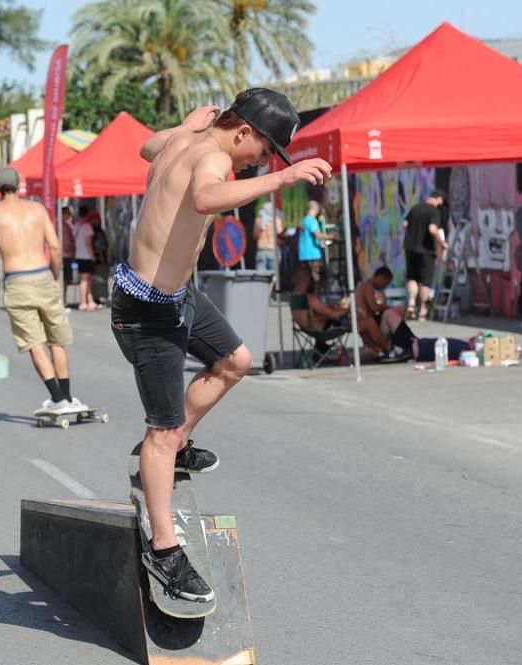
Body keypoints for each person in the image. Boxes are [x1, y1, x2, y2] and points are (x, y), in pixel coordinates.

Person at [112, 88, 330, 601]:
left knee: (236, 361)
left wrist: (187, 124)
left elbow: (148, 146)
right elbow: (205, 198)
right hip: (149, 312)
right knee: (160, 432)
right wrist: (285, 177)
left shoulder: (183, 142)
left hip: (180, 295)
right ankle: (163, 550)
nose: (259, 164)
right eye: (263, 152)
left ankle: (168, 450)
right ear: (243, 132)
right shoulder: (212, 156)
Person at [0, 168, 85, 414]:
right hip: (43, 276)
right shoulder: (37, 210)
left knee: (34, 342)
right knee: (57, 341)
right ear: (19, 185)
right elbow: (56, 247)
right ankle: (68, 398)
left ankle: (57, 399)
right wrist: (55, 275)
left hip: (17, 280)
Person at [403, 190, 448, 319]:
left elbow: (405, 224)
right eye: (442, 203)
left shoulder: (415, 208)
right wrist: (442, 242)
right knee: (426, 282)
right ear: (439, 199)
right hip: (426, 251)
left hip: (410, 248)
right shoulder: (434, 211)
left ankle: (411, 303)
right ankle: (423, 310)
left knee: (412, 278)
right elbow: (432, 229)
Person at [354, 266, 408, 359]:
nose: (384, 287)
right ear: (380, 277)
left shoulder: (363, 285)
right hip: (364, 321)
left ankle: (381, 349)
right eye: (385, 283)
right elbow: (374, 307)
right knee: (383, 318)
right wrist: (387, 307)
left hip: (362, 320)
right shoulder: (367, 286)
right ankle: (388, 348)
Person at [297, 200, 330, 287]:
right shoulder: (312, 221)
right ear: (316, 209)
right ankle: (317, 295)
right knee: (316, 275)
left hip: (304, 254)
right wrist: (332, 236)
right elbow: (318, 235)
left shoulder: (303, 220)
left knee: (307, 278)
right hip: (313, 253)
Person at [253, 200, 283, 293]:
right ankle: (267, 295)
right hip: (272, 249)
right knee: (272, 277)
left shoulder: (259, 219)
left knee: (260, 277)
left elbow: (255, 235)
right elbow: (280, 231)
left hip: (261, 249)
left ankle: (261, 294)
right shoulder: (276, 218)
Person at [73, 207, 100, 310]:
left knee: (87, 279)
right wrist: (92, 256)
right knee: (85, 279)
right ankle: (83, 302)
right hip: (86, 256)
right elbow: (88, 243)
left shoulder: (76, 226)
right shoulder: (87, 227)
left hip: (79, 254)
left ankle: (90, 301)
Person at [60, 206, 76, 288]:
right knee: (65, 280)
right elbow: (67, 244)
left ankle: (63, 298)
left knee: (63, 279)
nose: (69, 216)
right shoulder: (65, 226)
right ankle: (63, 298)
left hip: (62, 255)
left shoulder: (62, 225)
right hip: (65, 255)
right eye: (67, 213)